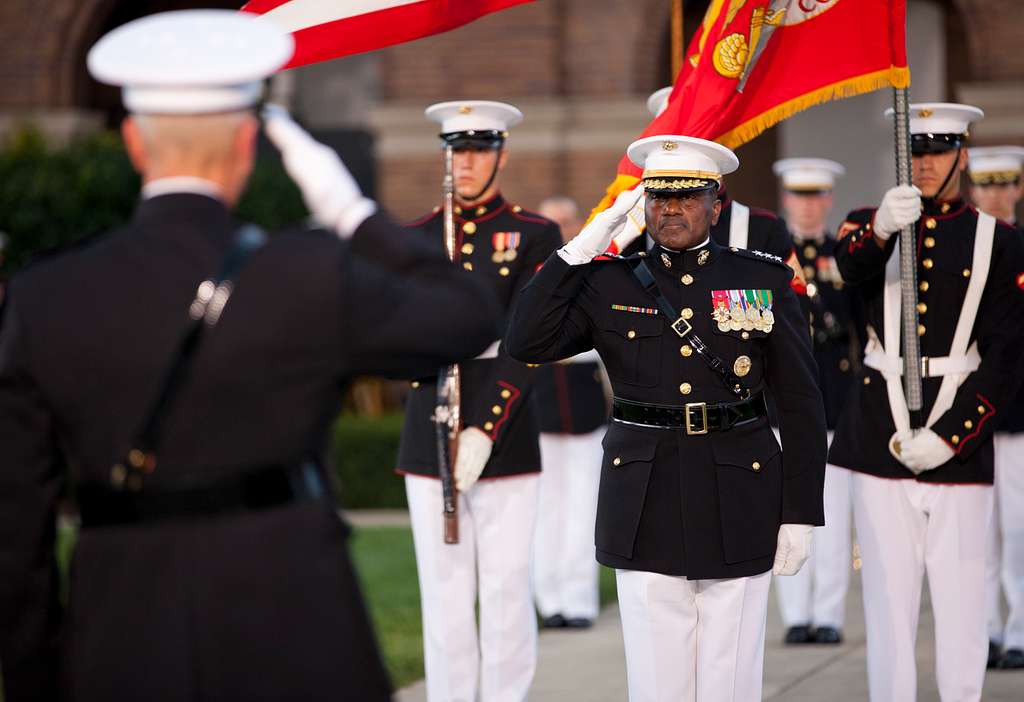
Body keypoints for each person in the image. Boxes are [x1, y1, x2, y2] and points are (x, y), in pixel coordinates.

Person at [0, 10, 501, 702]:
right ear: (246, 144)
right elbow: (469, 315)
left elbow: (14, 541)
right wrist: (352, 212)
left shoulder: (45, 297)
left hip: (121, 631)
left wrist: (36, 679)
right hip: (295, 622)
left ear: (134, 144)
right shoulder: (309, 275)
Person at [506, 134, 826, 701]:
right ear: (642, 204)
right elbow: (525, 339)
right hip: (644, 496)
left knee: (730, 679)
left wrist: (800, 512)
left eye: (686, 196)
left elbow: (801, 403)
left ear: (716, 204)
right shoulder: (608, 281)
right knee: (657, 683)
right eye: (658, 197)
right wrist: (581, 247)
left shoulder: (762, 278)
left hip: (741, 491)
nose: (670, 209)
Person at [829, 103, 1024, 702]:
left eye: (938, 152)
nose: (926, 164)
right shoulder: (868, 224)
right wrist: (884, 229)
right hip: (878, 435)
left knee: (964, 604)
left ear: (961, 156)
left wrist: (952, 433)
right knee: (888, 604)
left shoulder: (1000, 241)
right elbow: (849, 269)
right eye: (914, 152)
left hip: (958, 442)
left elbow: (1007, 353)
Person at [396, 101, 562, 702]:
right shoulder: (416, 237)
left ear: (501, 155)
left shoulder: (535, 234)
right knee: (442, 593)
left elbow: (530, 340)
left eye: (477, 150)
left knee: (505, 589)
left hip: (506, 431)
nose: (464, 163)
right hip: (428, 428)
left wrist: (486, 427)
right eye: (455, 151)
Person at [771, 157, 858, 645]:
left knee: (833, 516)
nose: (807, 205)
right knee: (788, 512)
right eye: (799, 196)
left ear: (827, 200)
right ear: (787, 200)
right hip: (786, 403)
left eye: (816, 196)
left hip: (834, 400)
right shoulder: (771, 256)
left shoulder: (841, 256)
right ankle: (795, 615)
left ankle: (829, 615)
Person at [531, 195, 609, 630]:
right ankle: (548, 600)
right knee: (545, 506)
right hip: (541, 399)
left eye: (566, 220)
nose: (560, 228)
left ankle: (578, 600)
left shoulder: (593, 271)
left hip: (581, 399)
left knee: (583, 505)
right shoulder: (533, 273)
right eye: (552, 221)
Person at [969, 145, 1024, 669]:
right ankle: (983, 629)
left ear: (1018, 189)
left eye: (1004, 184)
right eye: (986, 186)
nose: (995, 194)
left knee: (1020, 529)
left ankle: (1019, 631)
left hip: (1020, 416)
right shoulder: (961, 253)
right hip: (971, 414)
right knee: (977, 532)